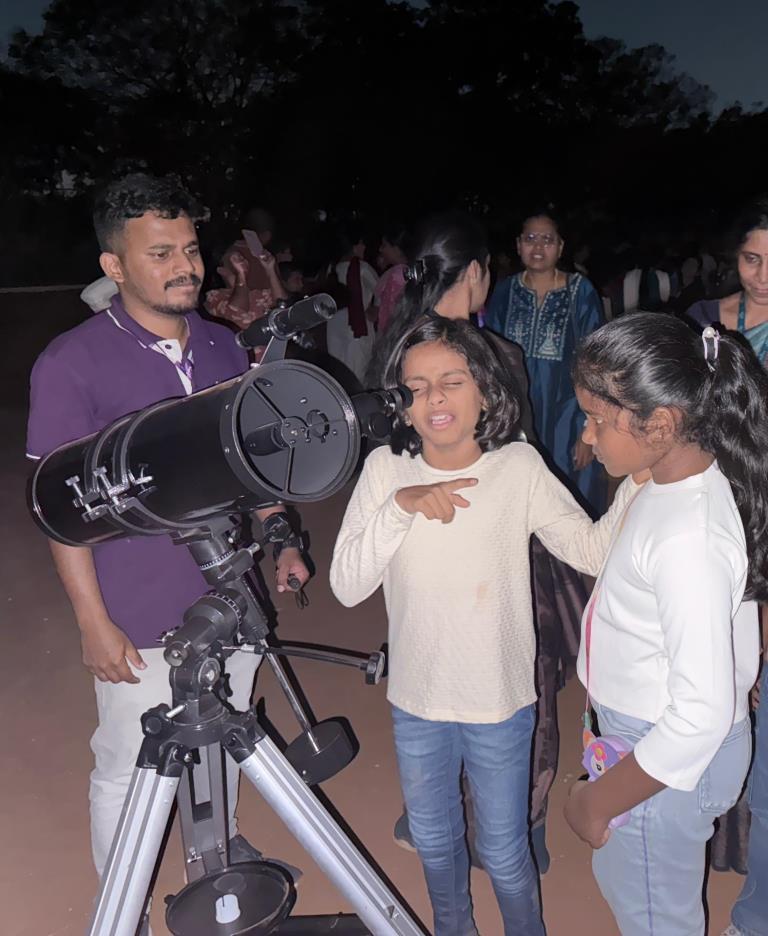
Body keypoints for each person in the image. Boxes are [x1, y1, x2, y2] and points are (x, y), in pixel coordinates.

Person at [26, 174, 310, 892]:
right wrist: (94, 621)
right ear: (113, 266)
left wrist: (278, 537)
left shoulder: (222, 348)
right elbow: (62, 514)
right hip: (137, 609)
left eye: (189, 249)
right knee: (129, 761)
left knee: (231, 732)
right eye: (160, 253)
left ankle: (219, 844)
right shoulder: (71, 364)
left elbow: (256, 462)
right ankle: (124, 898)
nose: (185, 266)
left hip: (228, 592)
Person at [331, 316, 644, 935]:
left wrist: (639, 476)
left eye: (451, 381)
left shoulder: (518, 467)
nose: (435, 400)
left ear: (485, 391)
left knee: (504, 852)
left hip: (499, 701)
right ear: (399, 401)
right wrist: (400, 509)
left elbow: (591, 551)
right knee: (434, 839)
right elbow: (346, 586)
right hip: (417, 701)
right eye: (415, 387)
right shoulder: (384, 472)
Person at [370, 214, 587, 872]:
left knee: (434, 671)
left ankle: (434, 812)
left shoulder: (392, 354)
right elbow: (517, 451)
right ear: (474, 276)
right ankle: (522, 822)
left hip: (423, 542)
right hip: (499, 547)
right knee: (525, 680)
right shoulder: (497, 358)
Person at [564, 312, 764, 936]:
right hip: (657, 746)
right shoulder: (676, 483)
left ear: (662, 423)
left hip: (661, 760)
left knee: (654, 916)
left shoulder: (688, 536)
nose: (588, 437)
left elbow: (699, 714)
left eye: (597, 419)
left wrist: (597, 799)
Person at [485, 212, 606, 513]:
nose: (538, 247)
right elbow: (491, 357)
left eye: (547, 239)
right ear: (518, 245)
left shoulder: (580, 292)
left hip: (569, 415)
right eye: (530, 239)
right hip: (516, 414)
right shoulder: (505, 292)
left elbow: (595, 363)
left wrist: (589, 430)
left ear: (561, 247)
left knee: (571, 499)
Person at [205, 206, 287, 330]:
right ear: (221, 269)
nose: (244, 263)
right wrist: (241, 276)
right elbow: (237, 311)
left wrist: (271, 271)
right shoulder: (216, 298)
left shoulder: (262, 292)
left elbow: (284, 308)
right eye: (237, 259)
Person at [325, 227, 379, 386]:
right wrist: (375, 308)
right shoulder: (361, 268)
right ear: (354, 246)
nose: (364, 248)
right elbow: (383, 290)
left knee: (339, 373)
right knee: (359, 373)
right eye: (361, 244)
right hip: (357, 327)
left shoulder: (331, 268)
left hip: (335, 326)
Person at [373, 226, 410, 335]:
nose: (380, 249)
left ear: (397, 249)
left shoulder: (398, 274)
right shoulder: (407, 270)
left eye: (384, 245)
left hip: (392, 336)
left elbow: (390, 313)